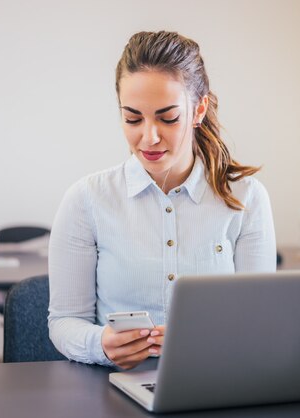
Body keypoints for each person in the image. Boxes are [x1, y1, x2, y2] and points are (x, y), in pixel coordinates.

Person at [48, 31, 276, 369]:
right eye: (132, 118)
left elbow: (261, 322)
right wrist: (100, 345)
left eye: (168, 118)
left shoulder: (247, 198)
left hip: (216, 383)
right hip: (114, 389)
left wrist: (206, 339)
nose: (149, 137)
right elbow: (64, 321)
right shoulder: (86, 200)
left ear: (198, 110)